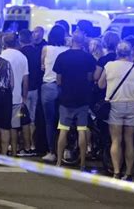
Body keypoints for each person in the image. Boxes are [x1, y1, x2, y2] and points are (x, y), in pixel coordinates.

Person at [98, 41, 134, 181]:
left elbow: (101, 84)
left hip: (115, 104)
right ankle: (129, 172)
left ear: (117, 52)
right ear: (130, 52)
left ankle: (117, 171)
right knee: (129, 140)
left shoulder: (110, 65)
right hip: (132, 104)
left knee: (116, 140)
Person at [54, 31, 96, 170]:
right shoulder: (88, 57)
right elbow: (90, 77)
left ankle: (59, 161)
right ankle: (83, 163)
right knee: (82, 130)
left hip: (66, 97)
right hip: (83, 98)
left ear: (72, 41)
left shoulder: (62, 57)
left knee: (63, 130)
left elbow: (58, 80)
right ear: (83, 41)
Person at [41, 25, 68, 162]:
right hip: (64, 87)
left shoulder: (46, 49)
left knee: (49, 122)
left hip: (48, 85)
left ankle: (51, 151)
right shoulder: (67, 50)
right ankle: (64, 151)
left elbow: (42, 66)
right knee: (64, 121)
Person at [1, 33, 31, 157]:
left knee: (2, 126)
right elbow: (25, 80)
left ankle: (2, 151)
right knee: (14, 126)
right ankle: (14, 151)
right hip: (17, 97)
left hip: (2, 96)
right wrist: (24, 96)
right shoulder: (22, 57)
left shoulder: (1, 56)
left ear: (4, 43)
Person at [19, 29, 42, 154]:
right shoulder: (37, 52)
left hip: (24, 90)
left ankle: (24, 144)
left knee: (22, 118)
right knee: (32, 118)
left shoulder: (20, 54)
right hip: (36, 88)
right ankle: (32, 144)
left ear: (21, 39)